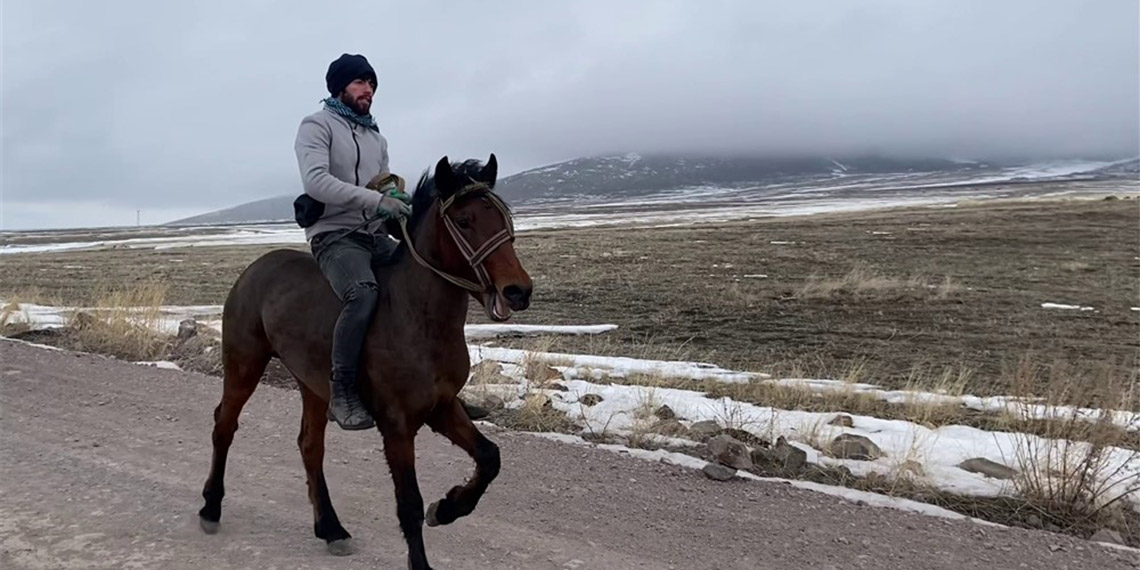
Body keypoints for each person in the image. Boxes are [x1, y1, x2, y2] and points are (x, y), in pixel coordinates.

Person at [293, 53, 411, 430]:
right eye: (360, 82)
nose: (368, 89)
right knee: (362, 294)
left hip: (372, 233)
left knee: (422, 280)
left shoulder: (376, 137)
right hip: (334, 235)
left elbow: (382, 182)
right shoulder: (317, 126)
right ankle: (342, 390)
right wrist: (376, 201)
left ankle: (431, 376)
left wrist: (394, 195)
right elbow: (316, 182)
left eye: (372, 83)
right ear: (339, 87)